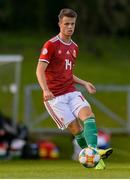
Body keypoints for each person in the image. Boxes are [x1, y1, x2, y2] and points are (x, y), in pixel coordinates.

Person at [36, 8, 113, 169]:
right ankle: (93, 158)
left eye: (72, 24)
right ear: (59, 24)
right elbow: (39, 70)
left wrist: (84, 83)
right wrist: (45, 89)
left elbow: (67, 73)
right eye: (66, 24)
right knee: (76, 129)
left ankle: (93, 152)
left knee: (88, 115)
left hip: (71, 91)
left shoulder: (74, 47)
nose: (70, 27)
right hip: (55, 98)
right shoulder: (51, 45)